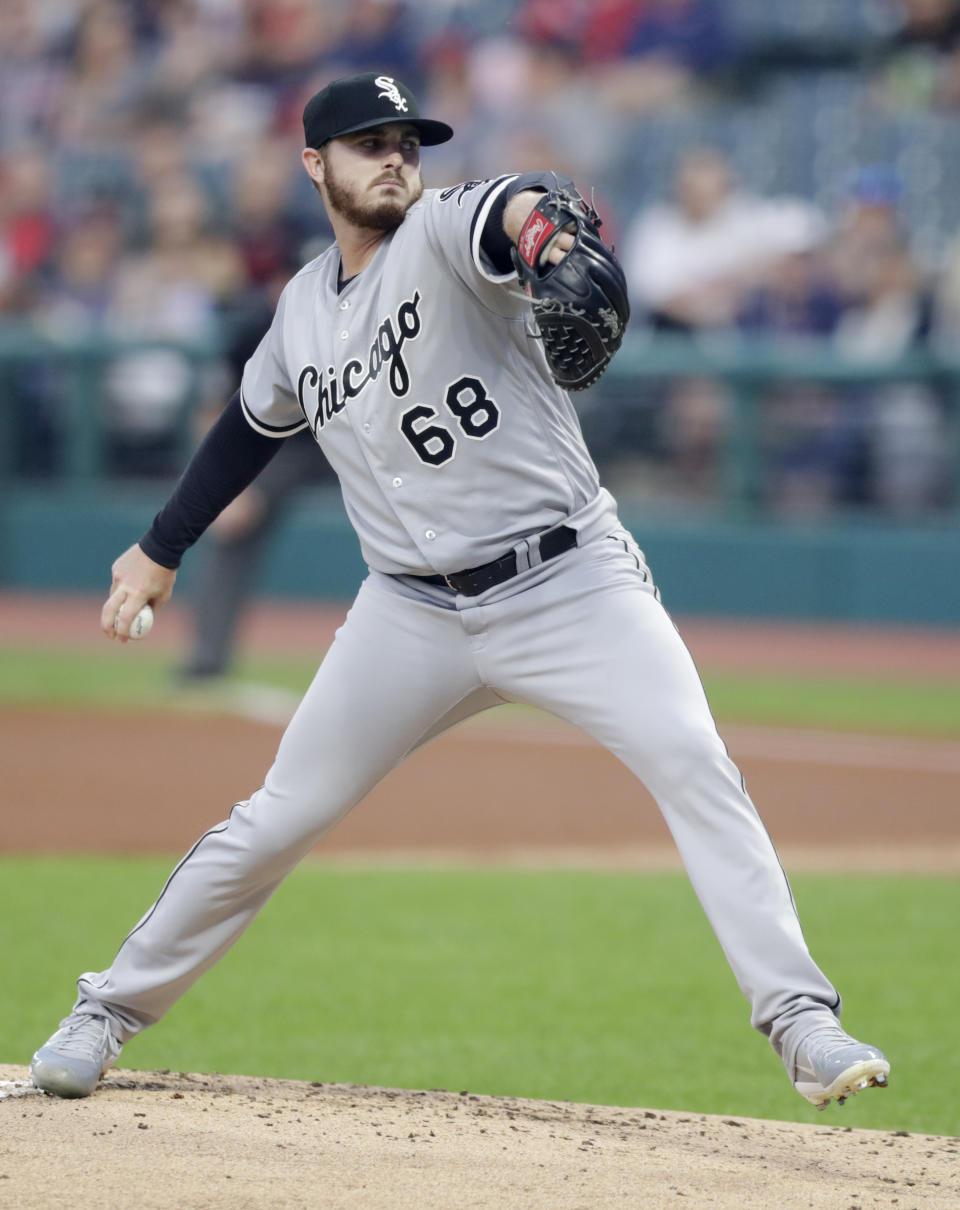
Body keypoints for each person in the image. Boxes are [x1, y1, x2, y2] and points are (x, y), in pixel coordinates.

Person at [30, 71, 890, 1111]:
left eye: (406, 139)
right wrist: (160, 546)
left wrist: (550, 240)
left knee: (694, 762)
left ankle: (802, 1021)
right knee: (276, 816)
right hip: (410, 613)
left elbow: (513, 205)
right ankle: (105, 1011)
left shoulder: (442, 232)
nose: (394, 156)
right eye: (366, 141)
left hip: (572, 582)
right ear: (315, 165)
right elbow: (246, 428)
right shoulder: (302, 311)